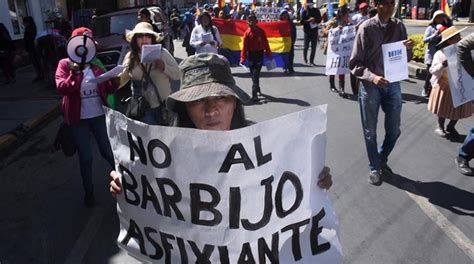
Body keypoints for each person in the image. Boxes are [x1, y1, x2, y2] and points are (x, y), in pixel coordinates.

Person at [110, 52, 333, 195]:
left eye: (221, 98)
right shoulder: (163, 155)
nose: (211, 109)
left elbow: (287, 185)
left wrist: (312, 179)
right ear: (185, 107)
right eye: (198, 100)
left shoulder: (265, 146)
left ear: (235, 104)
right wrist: (129, 186)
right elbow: (150, 196)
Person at [349, 0, 414, 185]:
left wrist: (407, 50)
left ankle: (380, 157)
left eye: (392, 3)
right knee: (370, 132)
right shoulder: (366, 28)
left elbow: (404, 58)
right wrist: (373, 77)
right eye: (386, 3)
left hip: (393, 84)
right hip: (371, 86)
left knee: (394, 131)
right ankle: (374, 167)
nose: (390, 7)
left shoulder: (399, 26)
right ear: (377, 5)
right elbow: (355, 64)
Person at [55, 27, 118, 207]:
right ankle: (88, 191)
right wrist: (75, 74)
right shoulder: (65, 65)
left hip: (99, 116)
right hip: (78, 120)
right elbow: (62, 87)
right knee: (86, 157)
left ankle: (124, 183)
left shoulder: (96, 65)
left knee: (107, 151)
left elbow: (108, 88)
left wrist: (114, 81)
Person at [119, 22, 180, 125]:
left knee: (165, 138)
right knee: (149, 139)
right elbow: (122, 79)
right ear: (135, 39)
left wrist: (164, 67)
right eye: (140, 36)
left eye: (147, 36)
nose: (144, 39)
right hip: (142, 107)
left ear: (152, 38)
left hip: (163, 105)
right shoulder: (130, 57)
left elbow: (178, 74)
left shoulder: (162, 53)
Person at [427, 26, 473, 138]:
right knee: (442, 108)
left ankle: (451, 126)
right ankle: (440, 126)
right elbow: (432, 70)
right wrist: (443, 65)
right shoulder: (440, 54)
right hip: (445, 85)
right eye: (456, 37)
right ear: (449, 40)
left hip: (461, 85)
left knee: (459, 109)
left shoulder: (465, 51)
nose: (460, 38)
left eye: (459, 36)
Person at [240, 13, 273, 102]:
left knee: (256, 73)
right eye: (249, 20)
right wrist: (243, 58)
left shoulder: (261, 31)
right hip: (251, 55)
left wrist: (269, 54)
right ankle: (257, 86)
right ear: (248, 22)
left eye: (253, 19)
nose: (251, 21)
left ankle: (254, 94)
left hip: (259, 55)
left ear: (256, 21)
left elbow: (266, 43)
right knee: (253, 75)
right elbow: (244, 47)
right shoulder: (247, 33)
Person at [322, 6, 352, 97]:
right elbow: (324, 32)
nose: (348, 16)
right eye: (347, 14)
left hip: (343, 49)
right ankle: (332, 85)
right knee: (333, 67)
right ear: (342, 15)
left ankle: (342, 89)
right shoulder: (333, 22)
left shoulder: (348, 23)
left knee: (342, 68)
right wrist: (334, 30)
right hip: (333, 49)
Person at [422, 10, 448, 98]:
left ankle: (432, 92)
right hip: (431, 54)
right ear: (435, 18)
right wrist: (435, 35)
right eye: (439, 17)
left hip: (440, 55)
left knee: (438, 74)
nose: (441, 19)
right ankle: (425, 89)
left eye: (442, 17)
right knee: (430, 73)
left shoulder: (444, 27)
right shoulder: (430, 28)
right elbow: (425, 40)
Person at [301, 0, 322, 66]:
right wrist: (308, 20)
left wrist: (315, 20)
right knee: (306, 47)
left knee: (313, 47)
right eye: (309, 4)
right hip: (307, 31)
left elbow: (319, 19)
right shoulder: (304, 11)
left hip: (314, 31)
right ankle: (305, 59)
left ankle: (311, 61)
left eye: (311, 4)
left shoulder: (316, 10)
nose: (310, 5)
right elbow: (301, 21)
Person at [23, 16, 44, 83]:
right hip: (32, 48)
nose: (23, 23)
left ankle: (40, 75)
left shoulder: (29, 29)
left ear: (27, 22)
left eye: (24, 22)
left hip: (33, 49)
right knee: (36, 62)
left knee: (36, 62)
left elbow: (29, 40)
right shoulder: (31, 28)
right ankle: (41, 74)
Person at [280, 9, 296, 74]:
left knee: (291, 55)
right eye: (283, 15)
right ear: (281, 16)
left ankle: (290, 67)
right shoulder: (279, 23)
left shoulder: (291, 23)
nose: (285, 16)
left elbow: (294, 32)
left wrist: (293, 40)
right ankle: (285, 68)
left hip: (290, 41)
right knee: (284, 55)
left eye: (286, 14)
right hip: (283, 42)